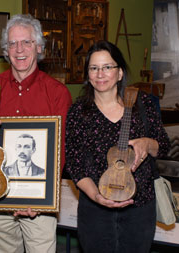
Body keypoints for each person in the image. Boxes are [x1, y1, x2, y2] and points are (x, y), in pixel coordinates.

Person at [0, 14, 72, 253]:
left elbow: (61, 150)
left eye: (26, 42)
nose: (19, 49)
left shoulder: (57, 93)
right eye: (12, 43)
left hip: (39, 204)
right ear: (5, 50)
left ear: (39, 47)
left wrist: (42, 198)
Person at [65, 40, 171, 253]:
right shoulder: (79, 112)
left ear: (120, 73)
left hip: (139, 208)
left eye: (107, 67)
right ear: (88, 75)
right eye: (93, 68)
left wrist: (146, 143)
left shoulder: (143, 104)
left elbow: (163, 145)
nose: (100, 74)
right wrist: (96, 196)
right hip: (95, 209)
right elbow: (75, 164)